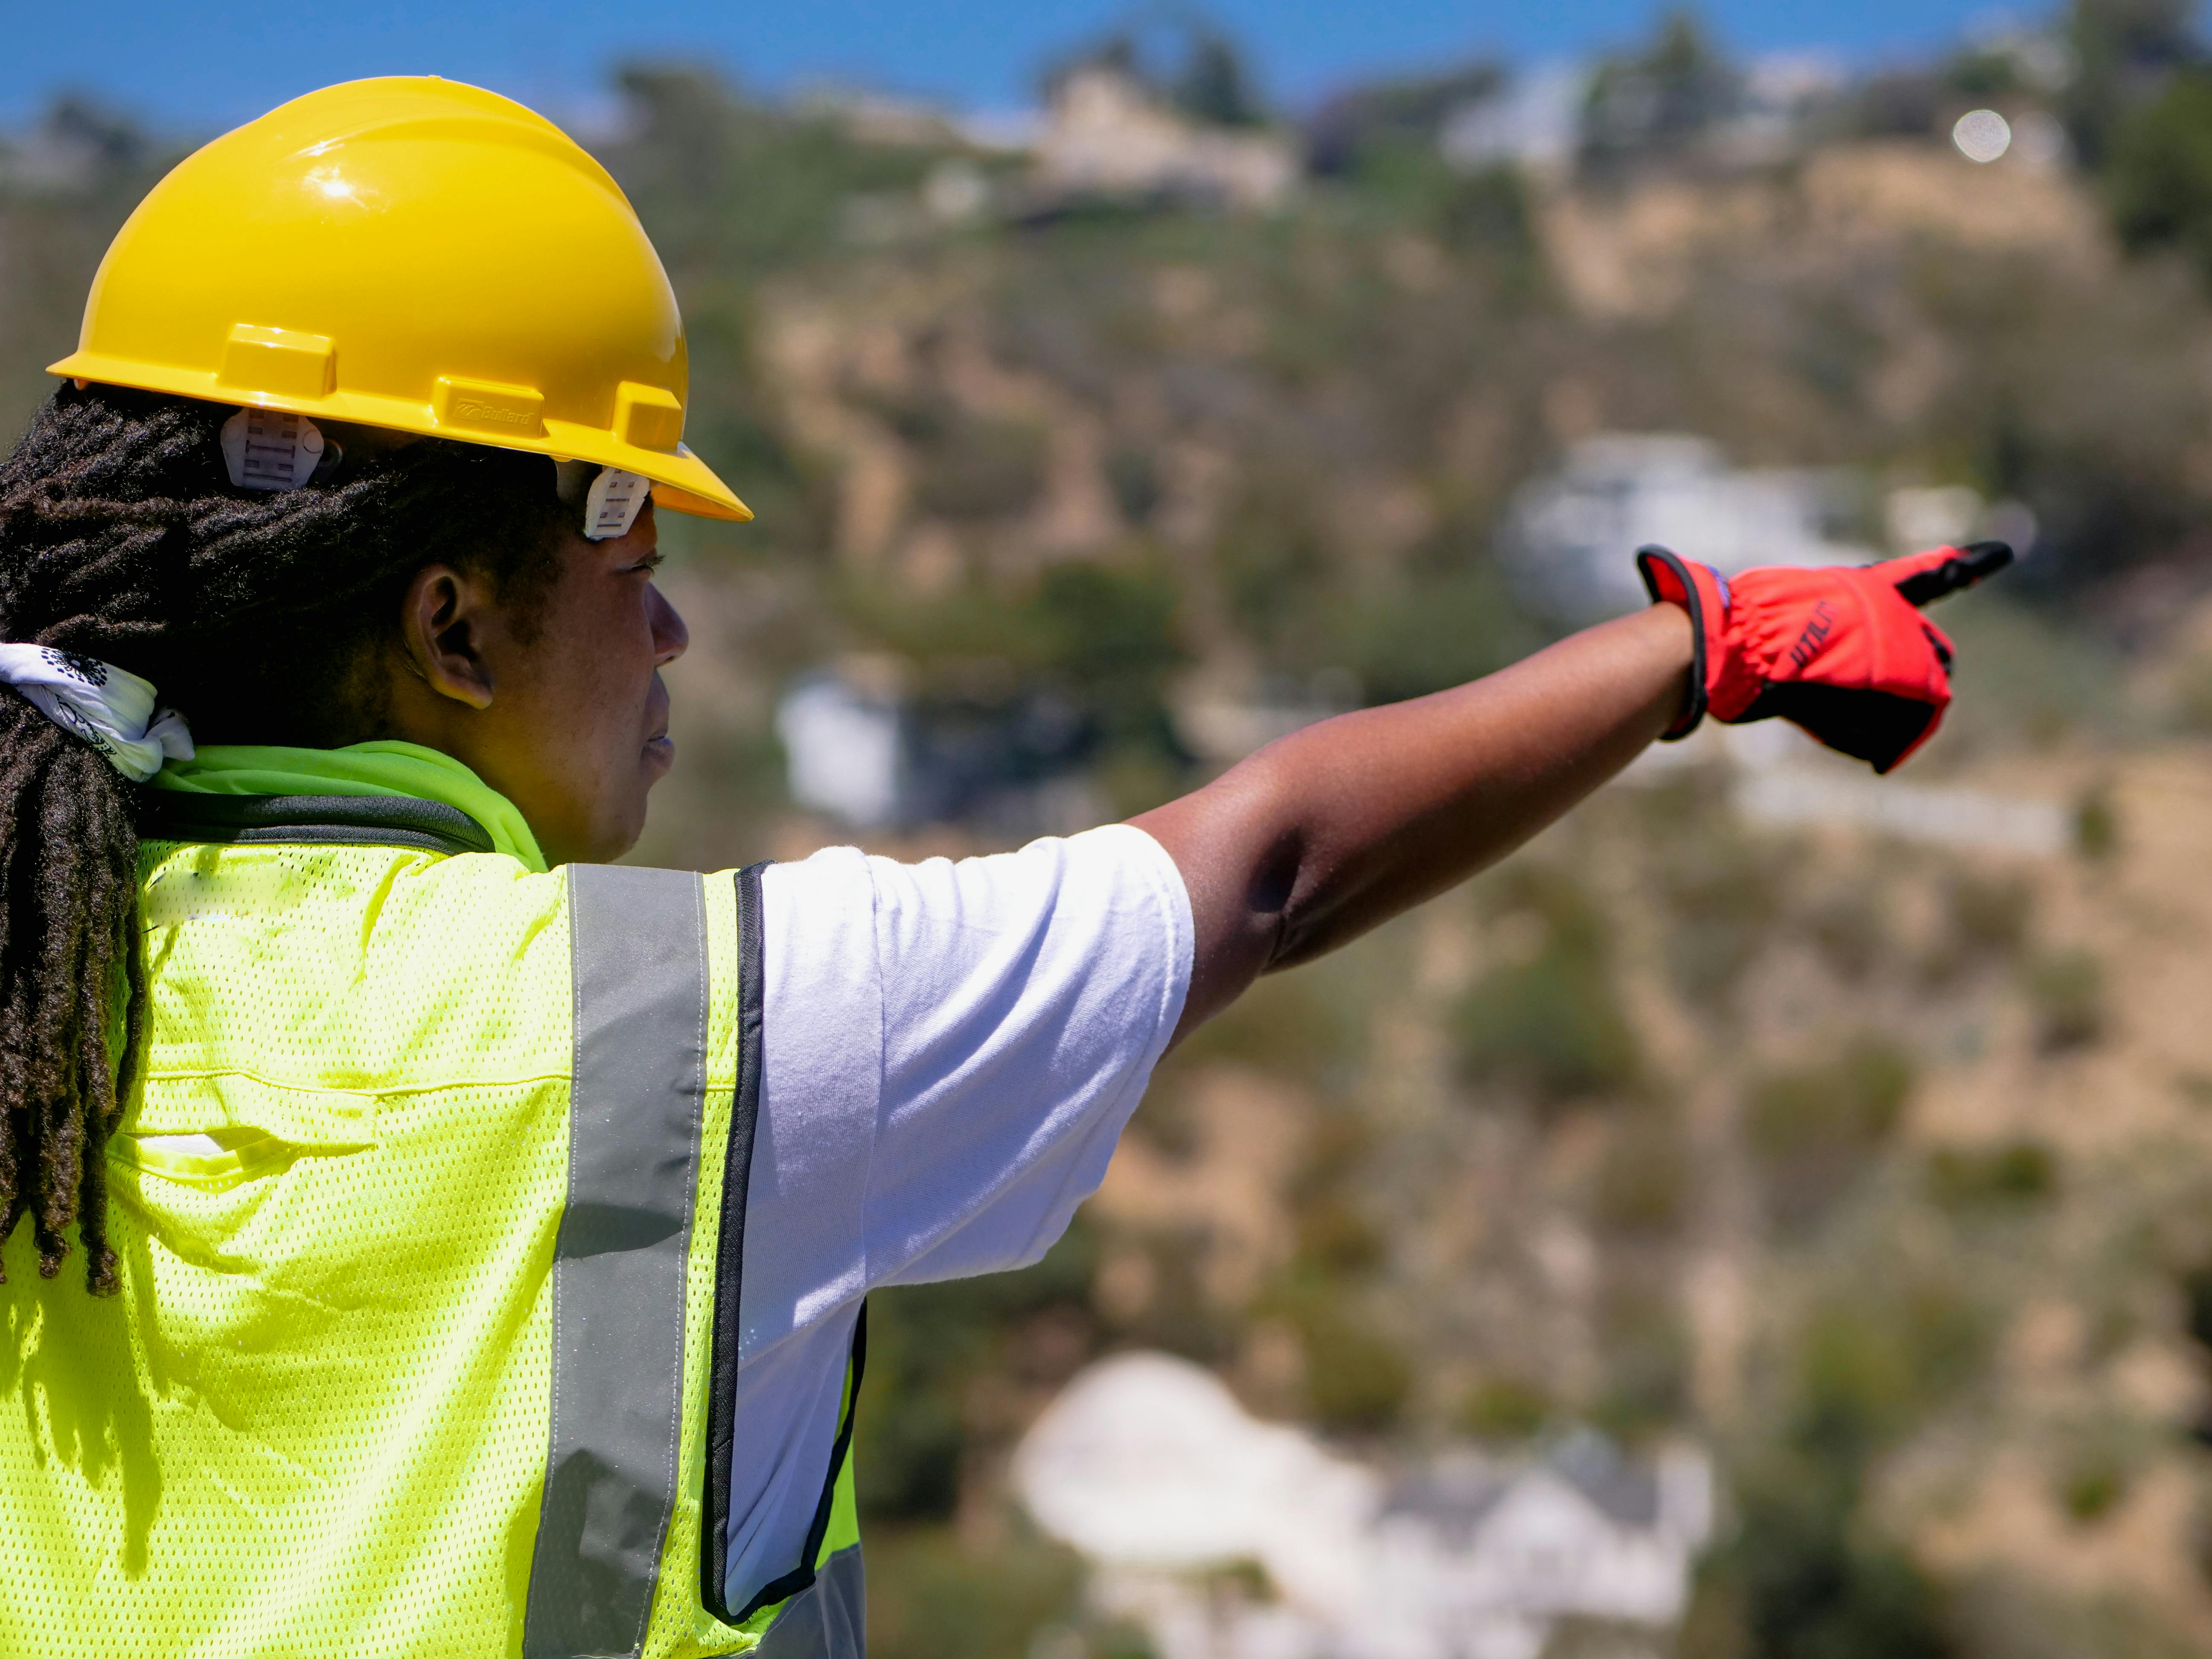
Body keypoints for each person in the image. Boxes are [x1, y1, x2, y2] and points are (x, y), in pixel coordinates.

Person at [0, 77, 2004, 1659]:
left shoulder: (32, 963)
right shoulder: (702, 1034)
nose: (673, 640)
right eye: (637, 566)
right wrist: (1696, 648)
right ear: (452, 626)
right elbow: (1270, 873)